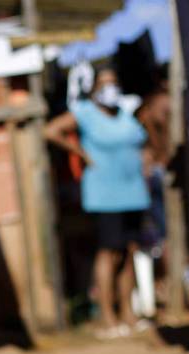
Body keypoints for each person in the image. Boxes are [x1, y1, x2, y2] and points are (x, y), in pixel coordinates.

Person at [45, 67, 151, 338]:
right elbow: (51, 131)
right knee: (109, 252)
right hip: (105, 195)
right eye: (104, 83)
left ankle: (128, 312)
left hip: (134, 191)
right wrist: (81, 154)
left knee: (128, 252)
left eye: (114, 82)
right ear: (93, 89)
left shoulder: (126, 112)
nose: (110, 88)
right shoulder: (85, 113)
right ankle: (108, 317)